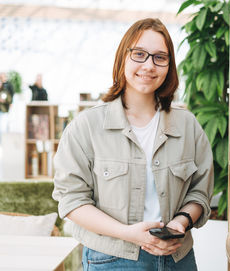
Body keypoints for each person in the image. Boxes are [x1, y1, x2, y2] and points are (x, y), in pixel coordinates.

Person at [52, 18, 214, 270]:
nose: (149, 65)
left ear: (169, 66)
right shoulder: (86, 126)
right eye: (140, 54)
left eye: (160, 57)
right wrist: (128, 233)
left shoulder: (188, 126)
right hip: (112, 260)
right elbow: (72, 201)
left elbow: (200, 193)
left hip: (177, 259)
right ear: (123, 58)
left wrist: (181, 221)